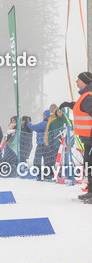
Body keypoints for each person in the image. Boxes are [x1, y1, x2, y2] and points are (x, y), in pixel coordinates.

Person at [58, 71, 92, 200]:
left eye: (78, 79)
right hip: (88, 139)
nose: (76, 82)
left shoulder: (88, 96)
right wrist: (70, 104)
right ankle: (90, 191)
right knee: (88, 165)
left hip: (91, 137)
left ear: (86, 81)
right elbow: (82, 108)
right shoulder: (85, 96)